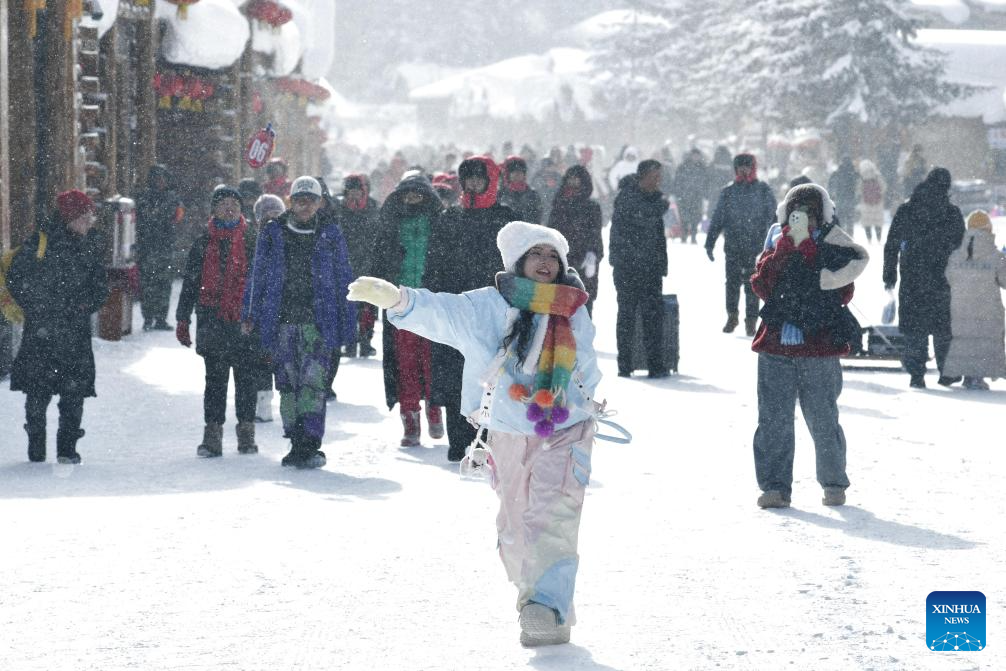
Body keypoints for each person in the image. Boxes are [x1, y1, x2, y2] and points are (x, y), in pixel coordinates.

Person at [347, 220, 601, 647]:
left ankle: (547, 608)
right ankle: (538, 602)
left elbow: (588, 367)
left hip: (564, 428)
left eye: (552, 255)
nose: (545, 262)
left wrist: (576, 394)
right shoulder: (487, 306)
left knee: (552, 518)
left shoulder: (573, 306)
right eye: (536, 254)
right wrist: (398, 298)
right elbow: (443, 312)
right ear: (518, 261)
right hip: (505, 429)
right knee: (516, 524)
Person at [749, 184, 869, 508]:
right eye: (798, 214)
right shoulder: (776, 241)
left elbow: (844, 292)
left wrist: (815, 261)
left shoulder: (833, 244)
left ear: (823, 216)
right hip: (776, 346)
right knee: (773, 420)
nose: (806, 221)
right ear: (787, 215)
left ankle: (833, 484)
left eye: (811, 214)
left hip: (819, 346)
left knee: (823, 419)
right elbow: (760, 285)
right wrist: (785, 250)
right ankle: (774, 487)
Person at [242, 176, 356, 468]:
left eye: (311, 200)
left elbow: (344, 277)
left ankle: (310, 442)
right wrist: (250, 313)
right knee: (288, 383)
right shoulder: (273, 232)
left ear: (320, 203)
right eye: (300, 200)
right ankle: (295, 439)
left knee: (313, 383)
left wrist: (349, 318)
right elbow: (258, 275)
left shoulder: (330, 233)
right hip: (281, 321)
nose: (305, 206)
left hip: (319, 321)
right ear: (291, 201)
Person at [425, 155, 515, 461]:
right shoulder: (450, 217)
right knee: (454, 375)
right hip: (456, 308)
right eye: (469, 179)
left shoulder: (505, 220)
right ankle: (458, 440)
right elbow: (434, 261)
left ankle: (487, 439)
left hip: (493, 309)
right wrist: (433, 300)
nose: (474, 184)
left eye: (480, 178)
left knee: (490, 376)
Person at [7, 190, 108, 464]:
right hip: (45, 330)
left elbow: (101, 285)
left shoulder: (89, 245)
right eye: (85, 216)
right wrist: (39, 305)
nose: (90, 222)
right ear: (70, 218)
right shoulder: (39, 243)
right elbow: (16, 278)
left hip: (72, 330)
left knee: (72, 393)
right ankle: (36, 446)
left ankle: (67, 449)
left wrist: (84, 305)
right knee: (38, 392)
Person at [176, 185, 261, 458]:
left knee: (246, 379)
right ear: (214, 209)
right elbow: (190, 283)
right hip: (212, 318)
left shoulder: (252, 239)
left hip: (244, 320)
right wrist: (182, 318)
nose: (230, 208)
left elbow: (262, 283)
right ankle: (212, 436)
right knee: (215, 380)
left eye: (234, 204)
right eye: (223, 203)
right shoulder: (203, 242)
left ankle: (246, 434)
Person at [370, 175, 447, 446]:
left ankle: (434, 410)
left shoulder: (440, 225)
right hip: (400, 303)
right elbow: (378, 264)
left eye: (418, 194)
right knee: (405, 364)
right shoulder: (390, 226)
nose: (412, 199)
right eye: (408, 195)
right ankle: (410, 418)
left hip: (431, 303)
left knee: (432, 360)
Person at [883, 168, 965, 388]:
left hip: (912, 276)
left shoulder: (907, 210)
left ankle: (916, 374)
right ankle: (947, 371)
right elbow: (961, 246)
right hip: (943, 277)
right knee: (943, 326)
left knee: (914, 326)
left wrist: (889, 274)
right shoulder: (952, 213)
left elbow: (891, 245)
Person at [705, 153, 778, 336]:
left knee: (753, 284)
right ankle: (732, 316)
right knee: (732, 283)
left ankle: (751, 320)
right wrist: (710, 242)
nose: (744, 171)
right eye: (740, 168)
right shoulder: (728, 192)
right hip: (733, 244)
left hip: (756, 246)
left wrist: (778, 242)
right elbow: (718, 217)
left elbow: (774, 218)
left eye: (747, 167)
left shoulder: (763, 190)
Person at [609, 159, 669, 378]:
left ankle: (655, 364)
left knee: (653, 317)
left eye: (659, 177)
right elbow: (640, 220)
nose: (657, 182)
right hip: (628, 269)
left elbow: (658, 237)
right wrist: (659, 207)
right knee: (627, 316)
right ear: (642, 176)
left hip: (651, 268)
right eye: (654, 177)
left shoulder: (653, 199)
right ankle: (624, 364)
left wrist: (661, 264)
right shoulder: (628, 197)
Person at [942, 210, 1006, 390]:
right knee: (983, 341)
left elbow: (949, 278)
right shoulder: (995, 256)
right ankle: (978, 376)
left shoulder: (956, 255)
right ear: (989, 230)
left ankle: (969, 375)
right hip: (987, 310)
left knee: (965, 341)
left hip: (960, 308)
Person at [250, 194, 287, 422]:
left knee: (283, 360)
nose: (272, 219)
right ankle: (263, 402)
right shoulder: (252, 242)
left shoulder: (290, 240)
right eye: (267, 215)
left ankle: (288, 403)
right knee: (261, 358)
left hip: (284, 309)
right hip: (261, 310)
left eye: (277, 214)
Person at [548, 165, 604, 315]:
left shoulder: (592, 207)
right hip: (561, 259)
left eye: (576, 179)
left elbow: (595, 234)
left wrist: (593, 254)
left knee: (583, 308)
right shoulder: (558, 203)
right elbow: (551, 231)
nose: (573, 182)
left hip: (584, 260)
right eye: (570, 179)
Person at [337, 174, 381, 358]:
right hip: (345, 263)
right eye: (351, 192)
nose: (354, 196)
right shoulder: (339, 210)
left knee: (368, 306)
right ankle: (349, 342)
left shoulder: (373, 209)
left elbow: (379, 237)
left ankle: (365, 340)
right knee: (347, 305)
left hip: (369, 263)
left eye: (358, 191)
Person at [135, 164, 184, 331]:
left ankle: (160, 318)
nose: (160, 182)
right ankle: (148, 317)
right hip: (148, 247)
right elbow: (145, 220)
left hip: (164, 246)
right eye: (157, 178)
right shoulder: (144, 197)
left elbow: (176, 217)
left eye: (162, 178)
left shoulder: (171, 198)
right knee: (148, 284)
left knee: (163, 283)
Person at [671, 148, 709, 244]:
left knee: (695, 218)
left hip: (697, 197)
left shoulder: (702, 167)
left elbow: (706, 182)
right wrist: (678, 193)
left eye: (697, 155)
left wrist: (705, 193)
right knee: (684, 217)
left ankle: (693, 236)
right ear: (691, 155)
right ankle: (684, 236)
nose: (696, 157)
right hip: (684, 197)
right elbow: (677, 181)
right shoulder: (683, 166)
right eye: (694, 155)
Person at [500, 156, 544, 224]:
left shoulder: (533, 194)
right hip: (508, 232)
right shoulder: (501, 194)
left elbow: (537, 216)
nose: (517, 175)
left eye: (520, 172)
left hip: (528, 231)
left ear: (524, 174)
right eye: (513, 172)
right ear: (508, 175)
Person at [827, 156, 860, 235]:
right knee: (850, 220)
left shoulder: (837, 173)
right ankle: (850, 236)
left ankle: (841, 236)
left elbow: (830, 185)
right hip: (851, 199)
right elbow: (859, 186)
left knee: (840, 219)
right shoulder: (854, 173)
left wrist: (832, 196)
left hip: (840, 199)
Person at [857, 160, 886, 243]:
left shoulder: (862, 178)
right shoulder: (877, 176)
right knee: (878, 222)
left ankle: (869, 239)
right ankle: (878, 238)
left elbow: (859, 190)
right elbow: (883, 187)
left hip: (866, 203)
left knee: (867, 222)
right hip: (878, 202)